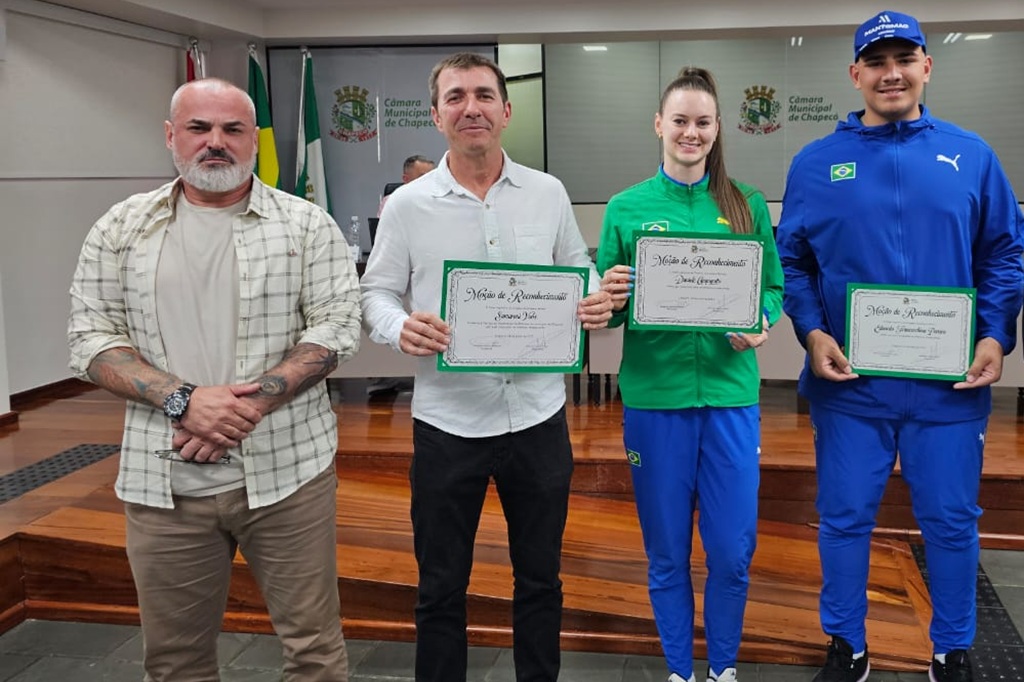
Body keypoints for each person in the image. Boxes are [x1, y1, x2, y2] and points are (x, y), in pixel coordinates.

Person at [67, 78, 361, 681]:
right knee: (175, 662)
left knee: (314, 654)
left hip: (289, 477)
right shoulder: (121, 229)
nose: (215, 143)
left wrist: (242, 408)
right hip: (163, 481)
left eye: (232, 130)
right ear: (172, 136)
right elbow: (90, 340)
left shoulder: (306, 226)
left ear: (254, 139)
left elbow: (337, 328)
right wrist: (184, 401)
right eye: (199, 129)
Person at [775, 11, 1024, 682]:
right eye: (876, 61)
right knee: (844, 518)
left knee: (950, 522)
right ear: (855, 74)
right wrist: (812, 329)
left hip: (950, 389)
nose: (891, 72)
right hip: (851, 387)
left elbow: (1004, 254)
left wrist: (997, 334)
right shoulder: (816, 163)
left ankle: (951, 649)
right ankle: (847, 644)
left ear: (926, 67)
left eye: (904, 58)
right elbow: (790, 262)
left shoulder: (971, 155)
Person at [360, 52, 613, 682]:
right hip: (448, 425)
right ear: (437, 114)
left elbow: (576, 265)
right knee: (441, 587)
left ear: (507, 110)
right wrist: (400, 326)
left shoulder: (548, 192)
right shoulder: (408, 206)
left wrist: (591, 297)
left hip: (538, 419)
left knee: (540, 580)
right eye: (455, 97)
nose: (470, 107)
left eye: (482, 95)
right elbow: (374, 294)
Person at [598, 67, 784, 682]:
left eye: (702, 122)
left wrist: (760, 319)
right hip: (655, 402)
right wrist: (612, 293)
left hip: (731, 399)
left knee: (731, 554)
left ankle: (723, 669)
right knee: (667, 553)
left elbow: (774, 287)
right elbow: (602, 306)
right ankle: (681, 670)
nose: (691, 132)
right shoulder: (626, 208)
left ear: (717, 128)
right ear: (659, 124)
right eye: (679, 120)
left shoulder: (745, 203)